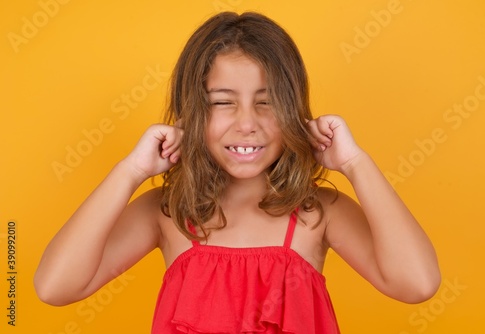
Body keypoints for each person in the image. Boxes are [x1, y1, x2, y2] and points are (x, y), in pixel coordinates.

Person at [34, 11, 441, 333]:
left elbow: (417, 284)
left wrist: (356, 164)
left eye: (267, 102)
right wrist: (132, 170)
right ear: (192, 112)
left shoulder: (318, 212)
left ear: (294, 110)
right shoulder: (168, 212)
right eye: (223, 102)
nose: (247, 123)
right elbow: (54, 287)